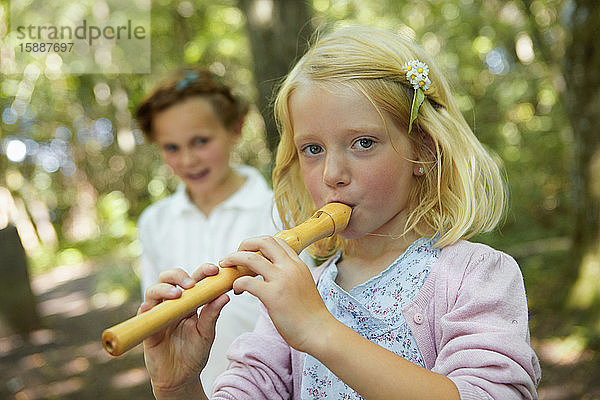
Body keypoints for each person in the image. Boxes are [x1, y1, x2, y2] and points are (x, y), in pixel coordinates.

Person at [139, 26, 542, 399]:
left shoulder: (475, 276)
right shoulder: (296, 292)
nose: (332, 174)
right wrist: (179, 386)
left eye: (363, 143)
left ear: (422, 149)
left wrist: (318, 329)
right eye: (312, 149)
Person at [134, 68, 280, 393]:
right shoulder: (154, 222)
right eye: (171, 147)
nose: (187, 159)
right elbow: (158, 316)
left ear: (235, 128)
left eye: (200, 141)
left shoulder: (280, 209)